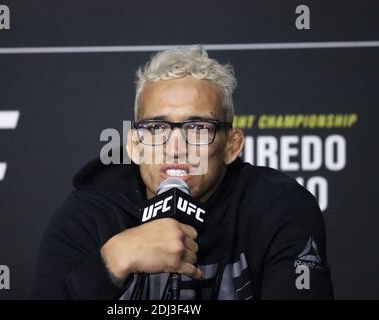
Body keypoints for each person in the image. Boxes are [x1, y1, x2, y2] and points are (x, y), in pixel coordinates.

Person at [31, 45, 333, 300]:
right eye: (156, 128)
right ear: (134, 145)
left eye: (198, 128)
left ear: (232, 145)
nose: (176, 148)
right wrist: (111, 263)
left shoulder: (280, 208)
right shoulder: (88, 215)